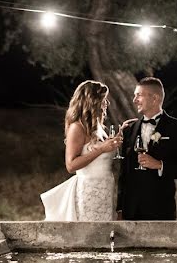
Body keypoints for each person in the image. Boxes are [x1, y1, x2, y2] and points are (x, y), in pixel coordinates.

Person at [40, 80, 123, 221]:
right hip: (89, 191)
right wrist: (102, 149)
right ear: (92, 101)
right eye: (103, 100)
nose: (106, 104)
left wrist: (114, 142)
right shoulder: (77, 128)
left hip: (105, 188)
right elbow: (71, 165)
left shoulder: (99, 128)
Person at [117, 77, 177, 220]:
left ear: (154, 98)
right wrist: (120, 208)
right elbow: (124, 174)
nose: (134, 100)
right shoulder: (129, 130)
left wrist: (159, 165)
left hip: (160, 210)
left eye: (139, 95)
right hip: (131, 211)